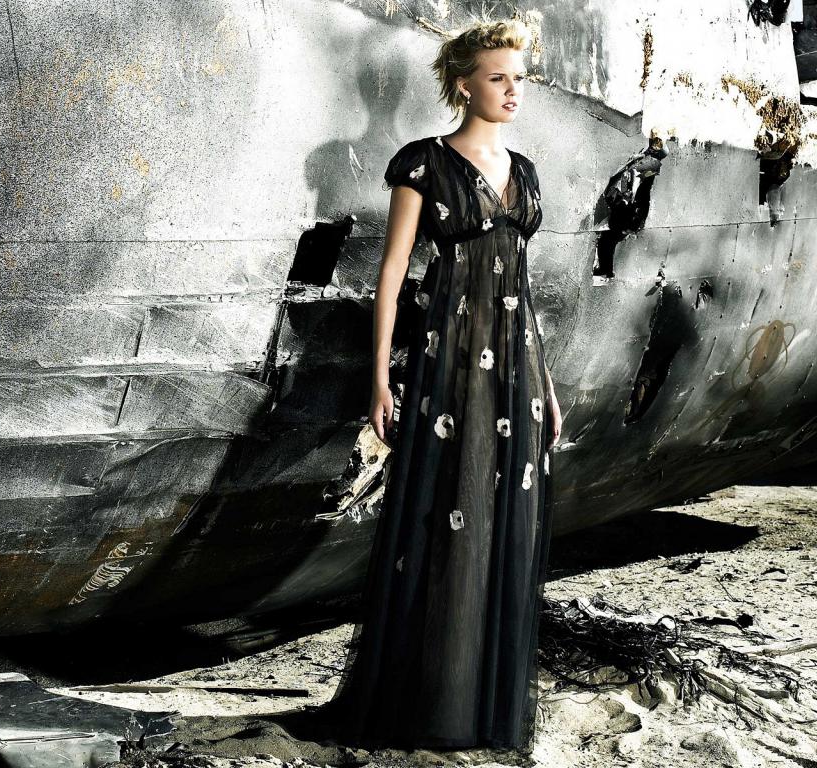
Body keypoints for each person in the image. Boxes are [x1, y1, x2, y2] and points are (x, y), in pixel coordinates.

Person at [322, 18, 562, 753]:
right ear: (463, 85)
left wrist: (547, 385)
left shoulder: (525, 170)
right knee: (448, 516)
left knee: (502, 525)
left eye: (519, 78)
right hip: (447, 366)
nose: (513, 90)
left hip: (514, 373)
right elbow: (392, 274)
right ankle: (432, 704)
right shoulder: (423, 165)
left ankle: (479, 704)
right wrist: (380, 378)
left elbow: (521, 288)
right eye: (498, 77)